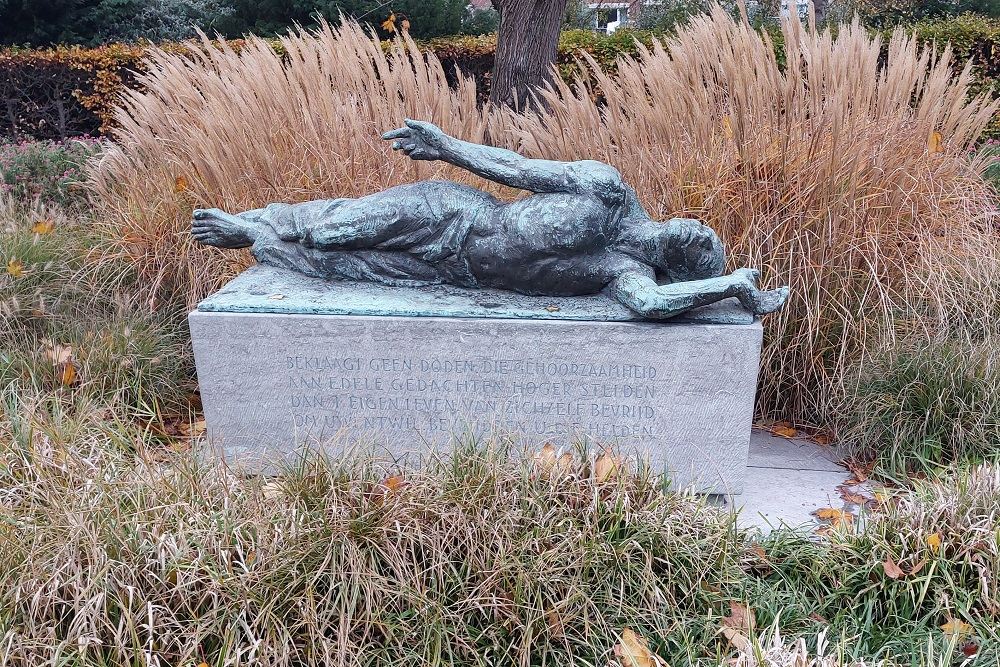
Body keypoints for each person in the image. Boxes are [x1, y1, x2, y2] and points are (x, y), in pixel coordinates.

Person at [191, 119, 788, 319]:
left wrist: (730, 286)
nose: (693, 231)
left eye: (697, 247)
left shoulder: (622, 272)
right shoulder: (607, 188)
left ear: (673, 262)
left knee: (335, 262)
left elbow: (654, 307)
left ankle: (253, 236)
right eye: (699, 228)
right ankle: (247, 222)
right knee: (330, 226)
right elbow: (516, 168)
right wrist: (447, 145)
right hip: (455, 213)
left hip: (457, 273)